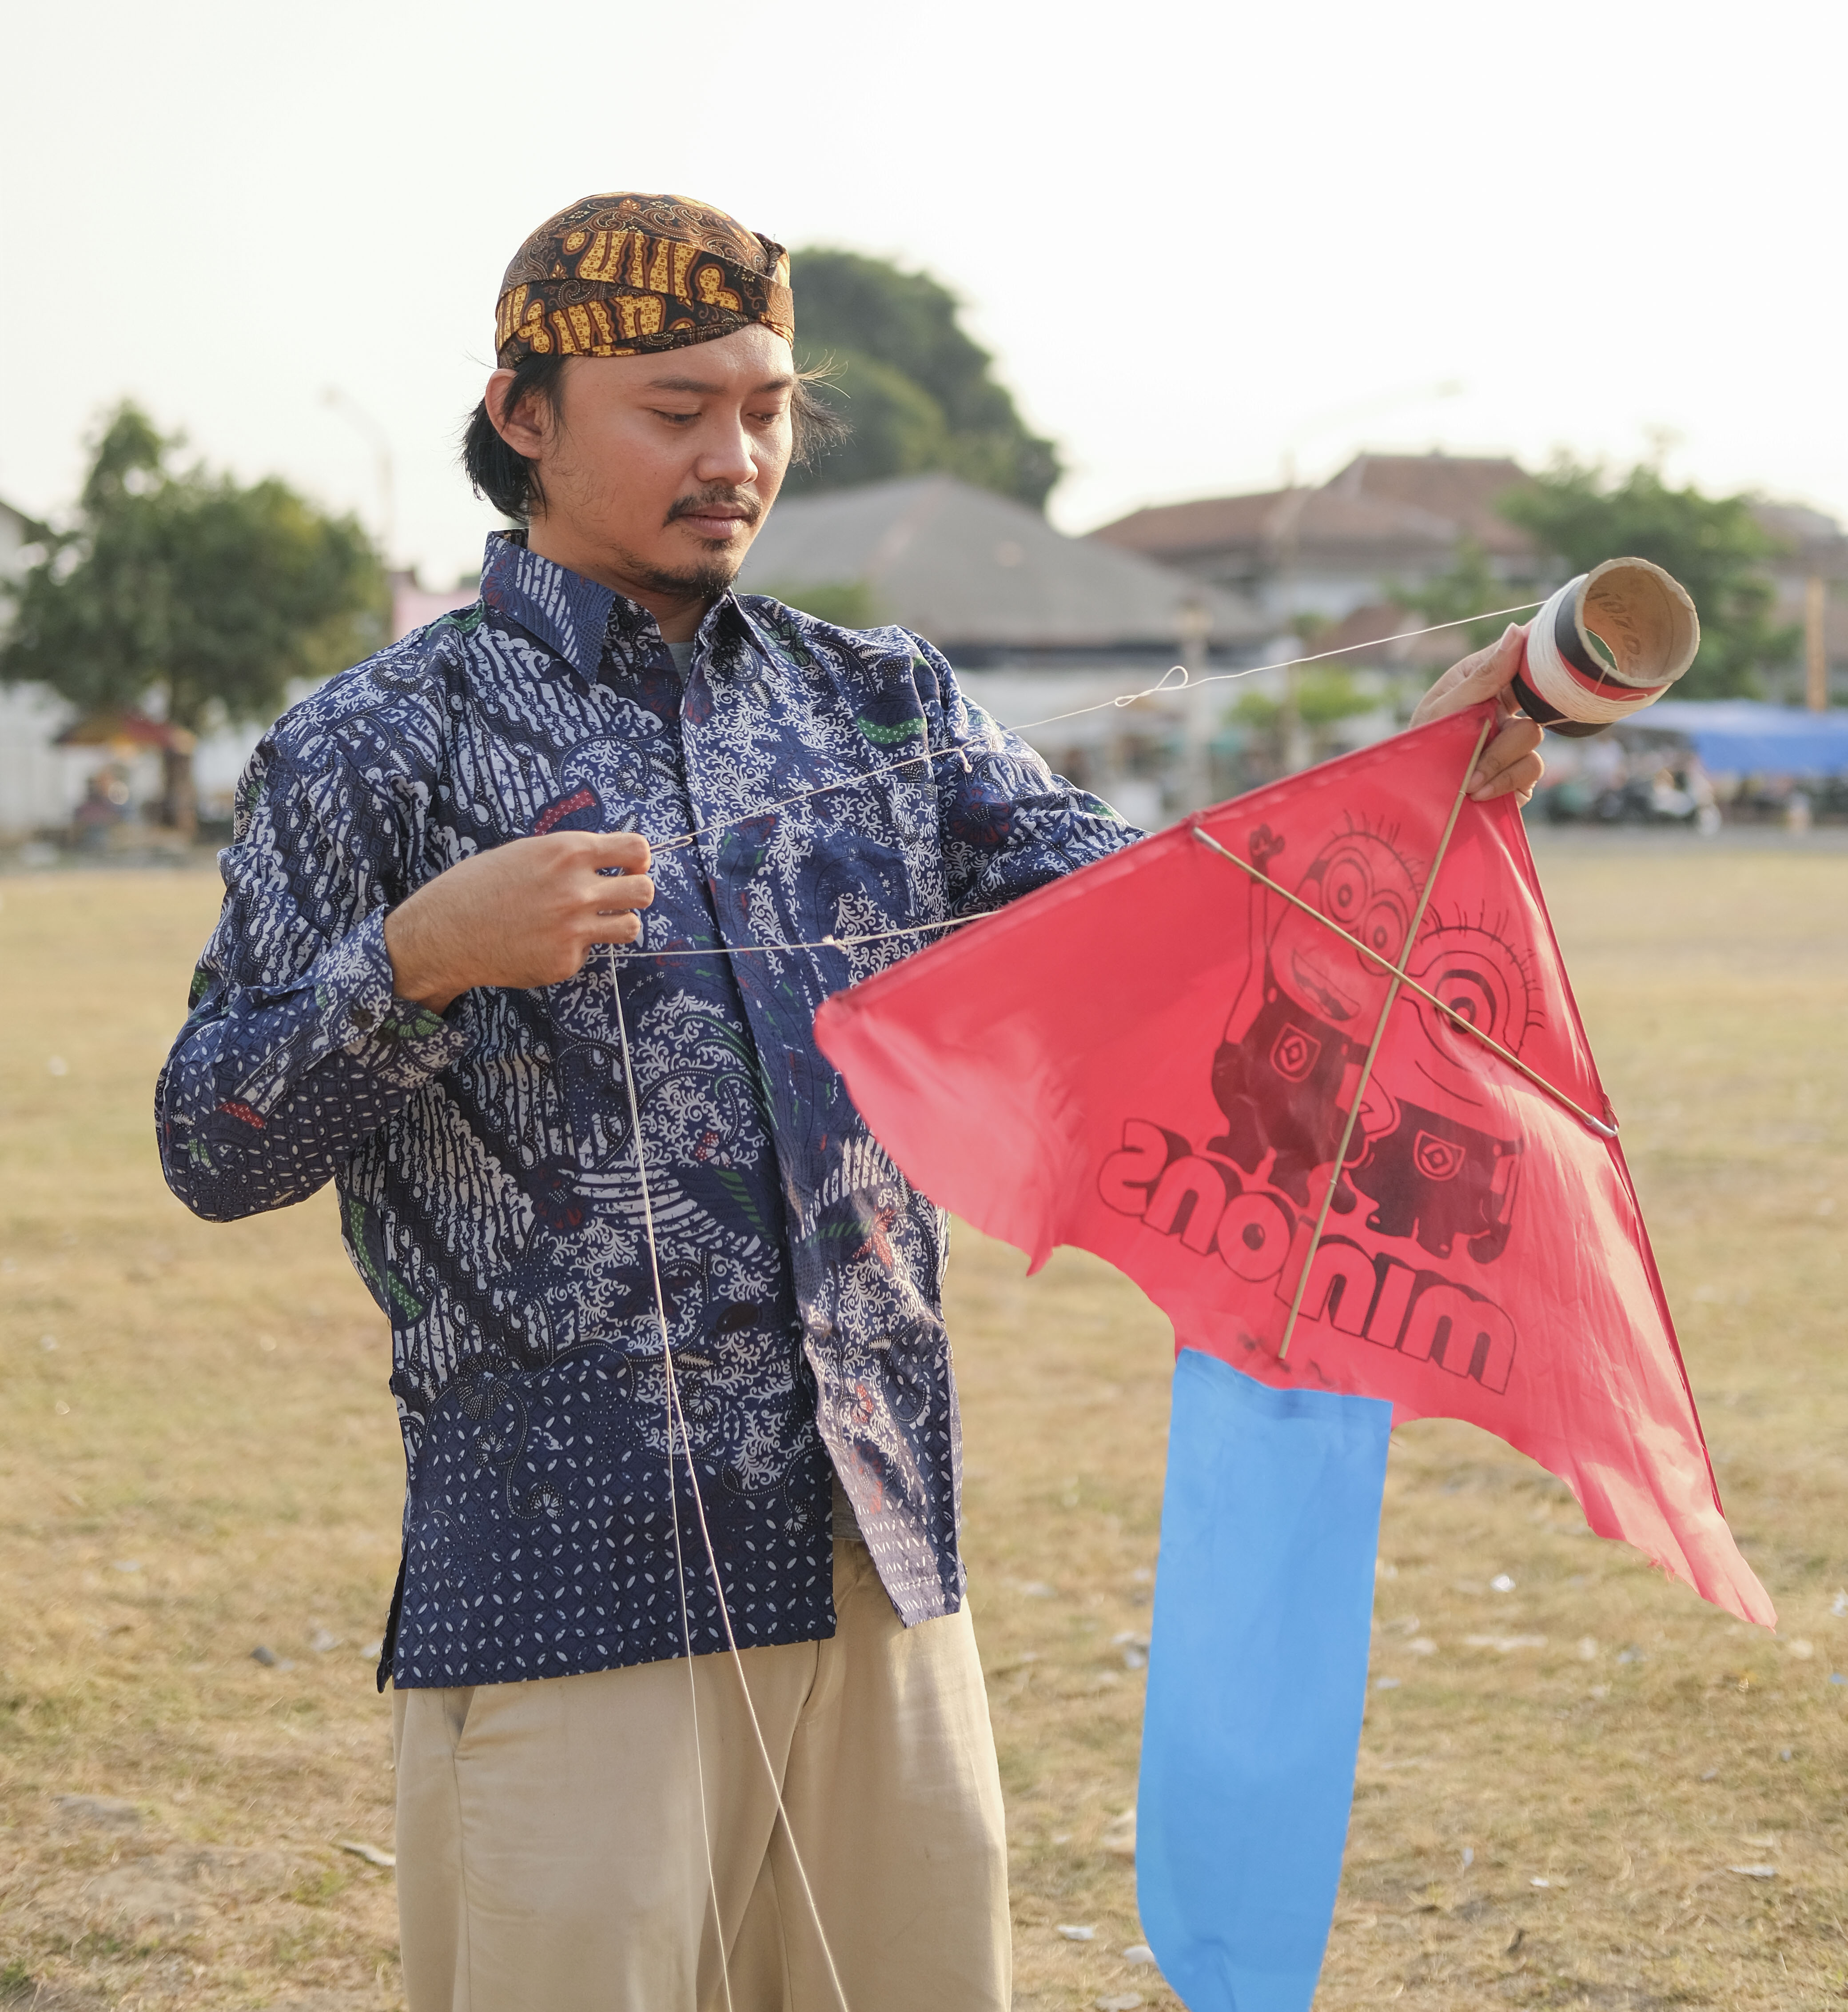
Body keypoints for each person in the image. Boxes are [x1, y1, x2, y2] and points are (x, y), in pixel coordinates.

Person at [155, 192, 1541, 2012]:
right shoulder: (373, 742)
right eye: (672, 409)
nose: (734, 457)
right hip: (568, 1570)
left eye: (765, 406)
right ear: (521, 413)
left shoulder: (880, 707)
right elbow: (207, 1137)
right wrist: (415, 960)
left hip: (878, 1539)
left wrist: (1404, 790)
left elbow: (1163, 938)